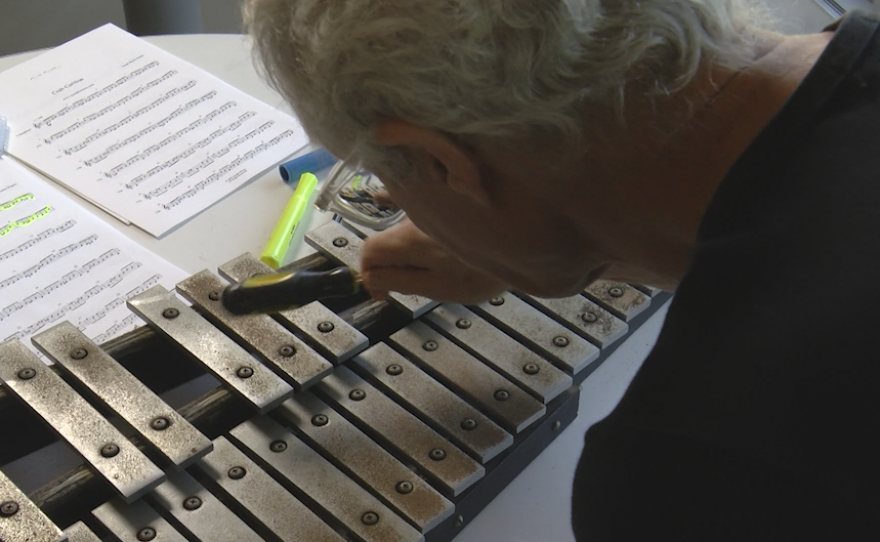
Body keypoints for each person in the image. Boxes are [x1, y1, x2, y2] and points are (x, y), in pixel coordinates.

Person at [244, 0, 880, 538]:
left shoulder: (692, 474)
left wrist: (521, 227)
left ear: (440, 162)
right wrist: (539, 239)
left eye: (384, 176)